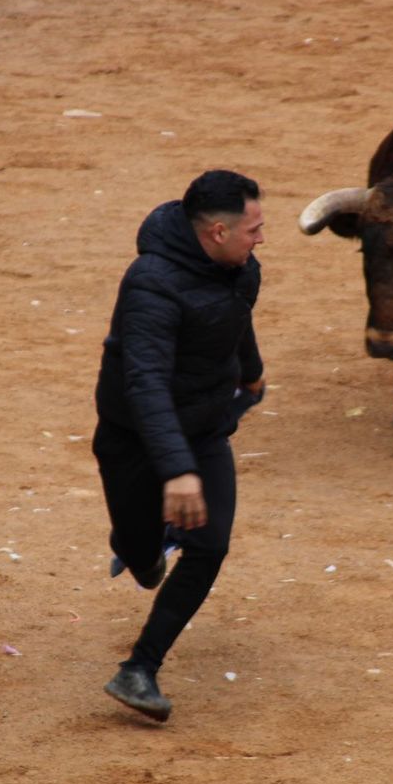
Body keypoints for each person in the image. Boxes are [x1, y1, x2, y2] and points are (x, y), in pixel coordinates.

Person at [94, 169, 267, 722]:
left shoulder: (241, 267)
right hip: (134, 440)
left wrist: (253, 375)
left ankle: (139, 668)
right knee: (142, 550)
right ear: (217, 232)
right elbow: (144, 383)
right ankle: (142, 550)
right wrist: (176, 470)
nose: (261, 239)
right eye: (253, 230)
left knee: (210, 546)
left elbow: (235, 319)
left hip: (203, 427)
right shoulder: (150, 284)